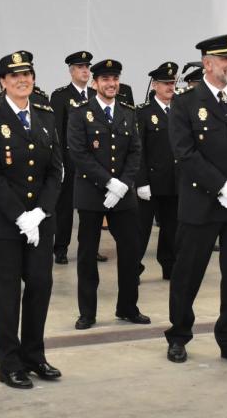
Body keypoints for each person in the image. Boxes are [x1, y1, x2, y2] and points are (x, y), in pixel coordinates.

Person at [165, 34, 227, 367]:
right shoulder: (185, 103)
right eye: (225, 59)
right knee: (187, 274)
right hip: (203, 203)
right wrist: (223, 187)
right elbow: (185, 153)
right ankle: (179, 336)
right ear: (207, 63)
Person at [0, 50, 63, 389]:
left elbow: (55, 169)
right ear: (2, 82)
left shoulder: (45, 114)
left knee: (40, 286)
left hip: (40, 222)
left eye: (27, 74)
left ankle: (34, 355)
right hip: (3, 223)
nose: (22, 80)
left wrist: (41, 212)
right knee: (7, 294)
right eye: (14, 76)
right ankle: (8, 363)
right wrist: (20, 216)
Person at [67, 59, 149, 330]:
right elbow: (78, 153)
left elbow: (135, 150)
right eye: (105, 79)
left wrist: (123, 184)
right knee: (88, 256)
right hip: (92, 194)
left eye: (115, 79)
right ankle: (87, 313)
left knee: (130, 253)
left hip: (123, 195)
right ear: (95, 83)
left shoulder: (128, 111)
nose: (111, 84)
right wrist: (109, 182)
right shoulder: (80, 112)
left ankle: (128, 308)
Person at [49, 51, 99, 265]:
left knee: (93, 208)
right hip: (71, 162)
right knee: (65, 209)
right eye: (80, 67)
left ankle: (90, 249)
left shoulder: (97, 95)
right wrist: (59, 163)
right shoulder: (60, 96)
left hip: (95, 162)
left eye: (87, 67)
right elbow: (56, 132)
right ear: (71, 71)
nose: (85, 70)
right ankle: (60, 248)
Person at [135, 62, 179, 280]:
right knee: (140, 230)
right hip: (150, 183)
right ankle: (133, 268)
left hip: (174, 181)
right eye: (165, 83)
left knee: (172, 228)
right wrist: (141, 181)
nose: (170, 87)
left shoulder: (180, 110)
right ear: (154, 85)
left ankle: (169, 266)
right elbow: (138, 150)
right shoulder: (143, 113)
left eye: (172, 82)